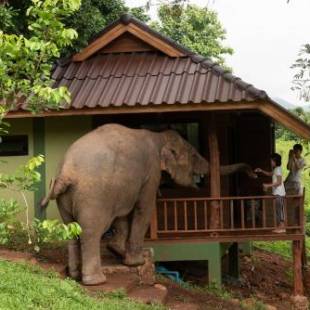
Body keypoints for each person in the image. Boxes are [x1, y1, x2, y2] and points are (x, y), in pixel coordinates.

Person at [255, 153, 286, 233]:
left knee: (280, 210)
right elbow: (270, 174)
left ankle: (282, 228)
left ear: (275, 161)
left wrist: (268, 185)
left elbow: (279, 182)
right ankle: (280, 227)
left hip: (279, 193)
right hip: (277, 193)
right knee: (278, 210)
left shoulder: (278, 169)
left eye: (271, 161)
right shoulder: (276, 169)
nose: (271, 162)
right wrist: (261, 170)